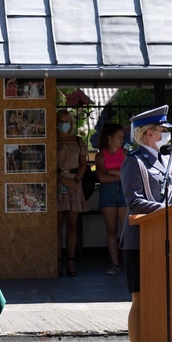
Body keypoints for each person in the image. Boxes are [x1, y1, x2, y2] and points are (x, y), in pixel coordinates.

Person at [120, 105, 172, 342]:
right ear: (149, 133)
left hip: (169, 240)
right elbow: (134, 201)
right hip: (141, 240)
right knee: (141, 300)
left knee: (166, 301)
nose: (166, 135)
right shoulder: (133, 162)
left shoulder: (169, 162)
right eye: (163, 130)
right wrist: (169, 210)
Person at [56, 110, 89, 277]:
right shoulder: (52, 140)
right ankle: (56, 262)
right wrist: (61, 179)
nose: (64, 123)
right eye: (61, 120)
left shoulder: (78, 140)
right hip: (57, 181)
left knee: (72, 225)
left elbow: (84, 164)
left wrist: (75, 180)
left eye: (67, 120)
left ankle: (71, 261)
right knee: (57, 225)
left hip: (74, 183)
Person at [95, 123, 127, 276]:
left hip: (123, 193)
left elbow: (129, 174)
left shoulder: (126, 154)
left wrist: (111, 172)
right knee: (111, 230)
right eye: (119, 137)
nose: (122, 140)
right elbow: (101, 177)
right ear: (110, 138)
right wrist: (119, 173)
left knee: (127, 229)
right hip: (107, 194)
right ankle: (115, 264)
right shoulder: (100, 155)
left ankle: (129, 261)